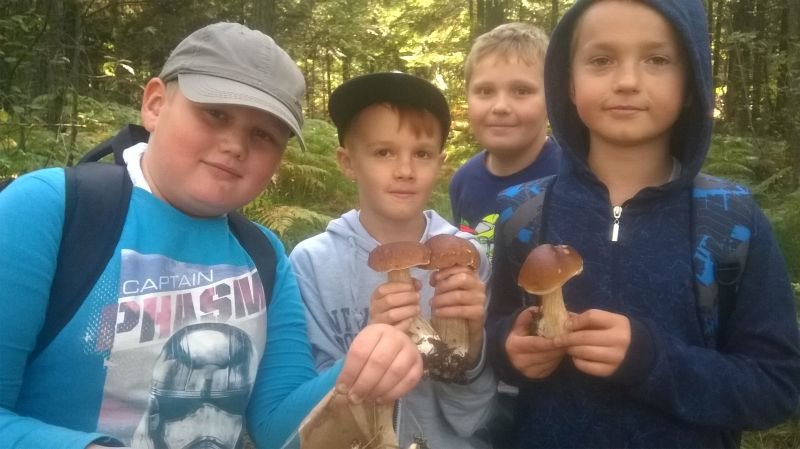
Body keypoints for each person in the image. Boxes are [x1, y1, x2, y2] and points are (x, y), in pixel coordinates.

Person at [0, 22, 422, 449]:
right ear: (155, 104)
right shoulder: (52, 210)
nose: (236, 145)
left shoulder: (263, 255)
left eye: (263, 134)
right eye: (215, 113)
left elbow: (280, 428)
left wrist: (357, 372)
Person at [486, 1, 800, 448]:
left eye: (657, 59)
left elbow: (776, 385)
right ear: (568, 83)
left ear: (691, 84)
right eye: (601, 60)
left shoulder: (732, 220)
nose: (627, 81)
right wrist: (508, 347)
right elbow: (493, 331)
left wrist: (652, 362)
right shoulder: (521, 212)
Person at [289, 72, 496, 449]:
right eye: (383, 152)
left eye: (422, 154)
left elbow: (476, 418)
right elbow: (316, 413)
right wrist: (371, 346)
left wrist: (474, 345)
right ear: (347, 162)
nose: (405, 171)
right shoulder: (313, 263)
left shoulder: (467, 258)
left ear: (440, 163)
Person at [449, 22, 561, 259]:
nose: (500, 107)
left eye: (521, 91)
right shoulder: (462, 182)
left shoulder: (572, 179)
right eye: (485, 91)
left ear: (552, 98)